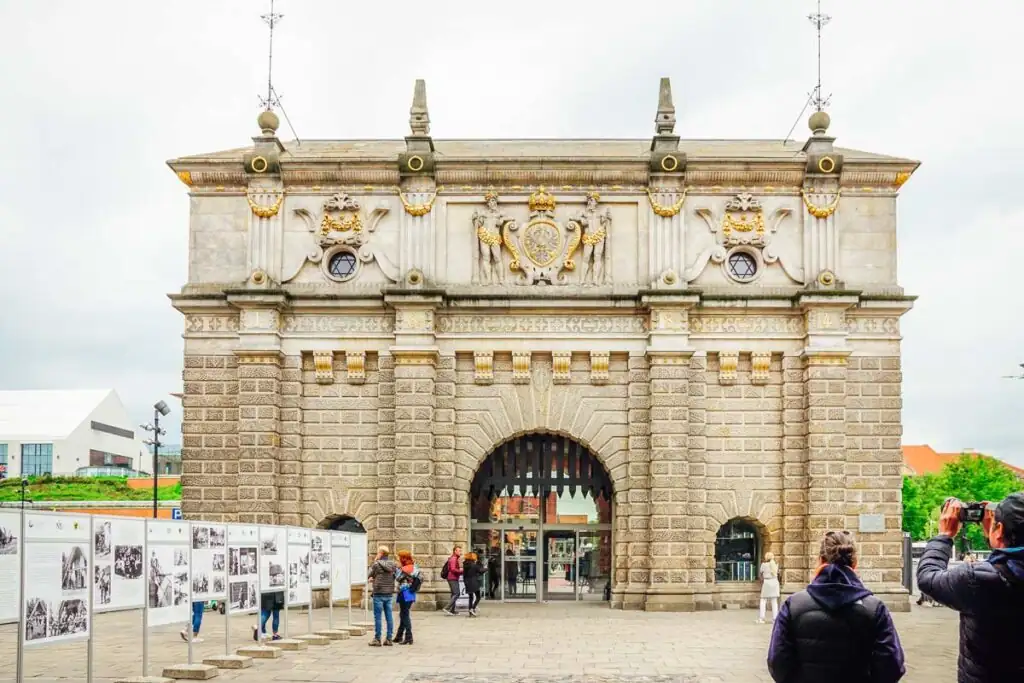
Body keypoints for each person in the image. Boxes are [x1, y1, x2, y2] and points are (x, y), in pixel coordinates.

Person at [767, 530, 905, 683]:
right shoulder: (875, 608)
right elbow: (891, 664)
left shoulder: (793, 605)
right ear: (855, 562)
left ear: (820, 560)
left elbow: (777, 660)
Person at [916, 493, 1024, 683]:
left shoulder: (977, 580)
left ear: (999, 529)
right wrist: (997, 535)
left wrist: (944, 536)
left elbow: (928, 578)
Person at [367, 545, 398, 646]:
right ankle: (389, 639)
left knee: (378, 617)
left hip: (379, 593)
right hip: (389, 593)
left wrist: (375, 561)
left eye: (378, 552)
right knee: (389, 617)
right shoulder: (393, 564)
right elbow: (394, 576)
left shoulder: (376, 564)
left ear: (381, 553)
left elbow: (370, 575)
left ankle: (377, 639)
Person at [394, 550, 421, 645]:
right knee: (403, 614)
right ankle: (399, 636)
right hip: (411, 592)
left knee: (404, 615)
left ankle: (409, 637)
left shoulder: (403, 569)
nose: (397, 560)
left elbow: (397, 577)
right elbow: (421, 577)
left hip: (404, 593)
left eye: (398, 558)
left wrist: (398, 569)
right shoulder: (415, 567)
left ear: (403, 559)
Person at [758, 552, 780, 624]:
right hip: (775, 583)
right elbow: (778, 574)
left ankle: (762, 618)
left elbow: (760, 573)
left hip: (767, 583)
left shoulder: (764, 565)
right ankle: (775, 619)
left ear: (766, 557)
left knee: (763, 600)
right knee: (774, 602)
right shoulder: (776, 564)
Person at [441, 545, 463, 615]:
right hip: (452, 578)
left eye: (460, 550)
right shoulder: (453, 558)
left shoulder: (454, 558)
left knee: (454, 593)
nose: (460, 552)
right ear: (455, 551)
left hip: (452, 577)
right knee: (457, 593)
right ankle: (447, 608)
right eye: (459, 551)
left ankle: (452, 610)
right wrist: (461, 571)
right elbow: (453, 569)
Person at [463, 552, 484, 616]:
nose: (476, 558)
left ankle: (470, 612)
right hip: (473, 582)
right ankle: (472, 608)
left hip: (467, 582)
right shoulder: (473, 565)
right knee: (478, 597)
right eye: (475, 557)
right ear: (472, 557)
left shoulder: (465, 564)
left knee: (471, 597)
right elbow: (480, 571)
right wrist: (486, 569)